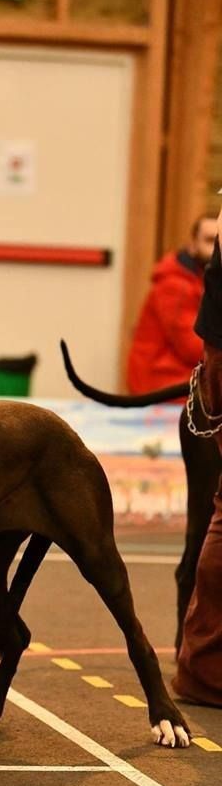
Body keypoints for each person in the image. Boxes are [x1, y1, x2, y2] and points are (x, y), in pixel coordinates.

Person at [172, 202, 222, 709]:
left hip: (207, 375)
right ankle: (199, 668)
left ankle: (198, 666)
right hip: (202, 384)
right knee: (209, 525)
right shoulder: (172, 284)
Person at [126, 215, 218, 396]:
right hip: (164, 384)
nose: (216, 248)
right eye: (209, 241)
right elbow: (193, 347)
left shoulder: (204, 281)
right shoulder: (176, 286)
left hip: (184, 382)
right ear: (192, 245)